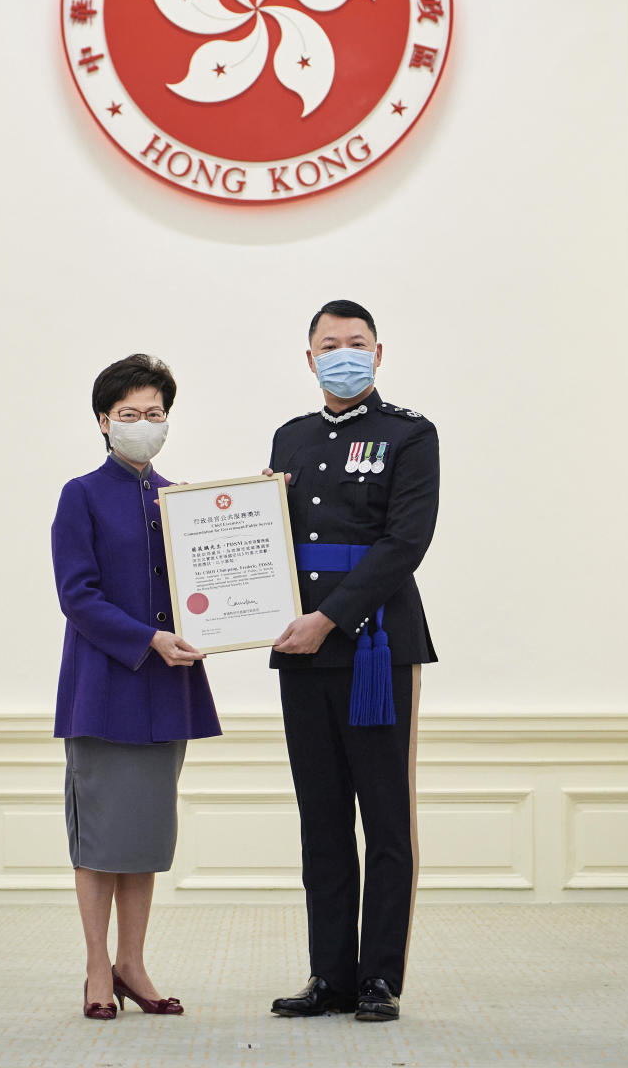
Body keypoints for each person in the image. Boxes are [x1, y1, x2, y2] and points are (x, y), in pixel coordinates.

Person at [265, 301, 439, 1023]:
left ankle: (379, 979)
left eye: (356, 343)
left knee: (385, 818)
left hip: (373, 647)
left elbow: (405, 543)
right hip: (298, 652)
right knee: (323, 819)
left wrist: (330, 618)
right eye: (329, 344)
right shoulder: (292, 437)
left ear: (377, 352)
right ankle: (331, 974)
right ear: (309, 360)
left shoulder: (410, 434)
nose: (343, 354)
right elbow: (268, 537)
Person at [51, 353, 221, 1021]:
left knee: (146, 837)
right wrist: (147, 639)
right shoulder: (81, 494)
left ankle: (134, 963)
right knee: (99, 839)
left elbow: (210, 589)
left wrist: (263, 510)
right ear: (103, 421)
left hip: (165, 693)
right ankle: (97, 968)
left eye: (155, 414)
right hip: (101, 688)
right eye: (130, 415)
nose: (144, 424)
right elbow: (78, 597)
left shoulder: (184, 502)